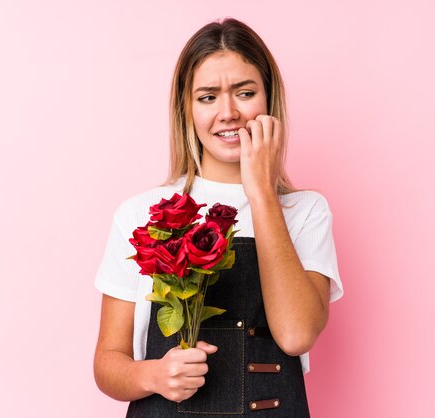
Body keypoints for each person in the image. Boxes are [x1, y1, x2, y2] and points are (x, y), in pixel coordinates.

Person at [93, 17, 343, 417]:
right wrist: (155, 376)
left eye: (244, 93)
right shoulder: (140, 213)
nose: (228, 113)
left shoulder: (306, 212)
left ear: (268, 99)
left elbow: (296, 336)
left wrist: (260, 191)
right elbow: (108, 363)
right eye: (208, 97)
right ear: (187, 109)